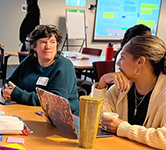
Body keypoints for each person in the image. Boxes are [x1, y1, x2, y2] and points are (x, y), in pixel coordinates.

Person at [91, 35, 166, 149]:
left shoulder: (163, 92)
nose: (118, 63)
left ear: (140, 62)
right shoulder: (123, 86)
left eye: (122, 57)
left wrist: (122, 128)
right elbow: (95, 119)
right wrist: (102, 84)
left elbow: (163, 139)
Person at [2, 24, 80, 116]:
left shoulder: (64, 65)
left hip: (62, 118)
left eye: (52, 42)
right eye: (43, 42)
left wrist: (18, 95)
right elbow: (10, 82)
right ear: (34, 46)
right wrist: (6, 91)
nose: (48, 47)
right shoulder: (29, 61)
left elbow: (55, 101)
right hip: (30, 110)